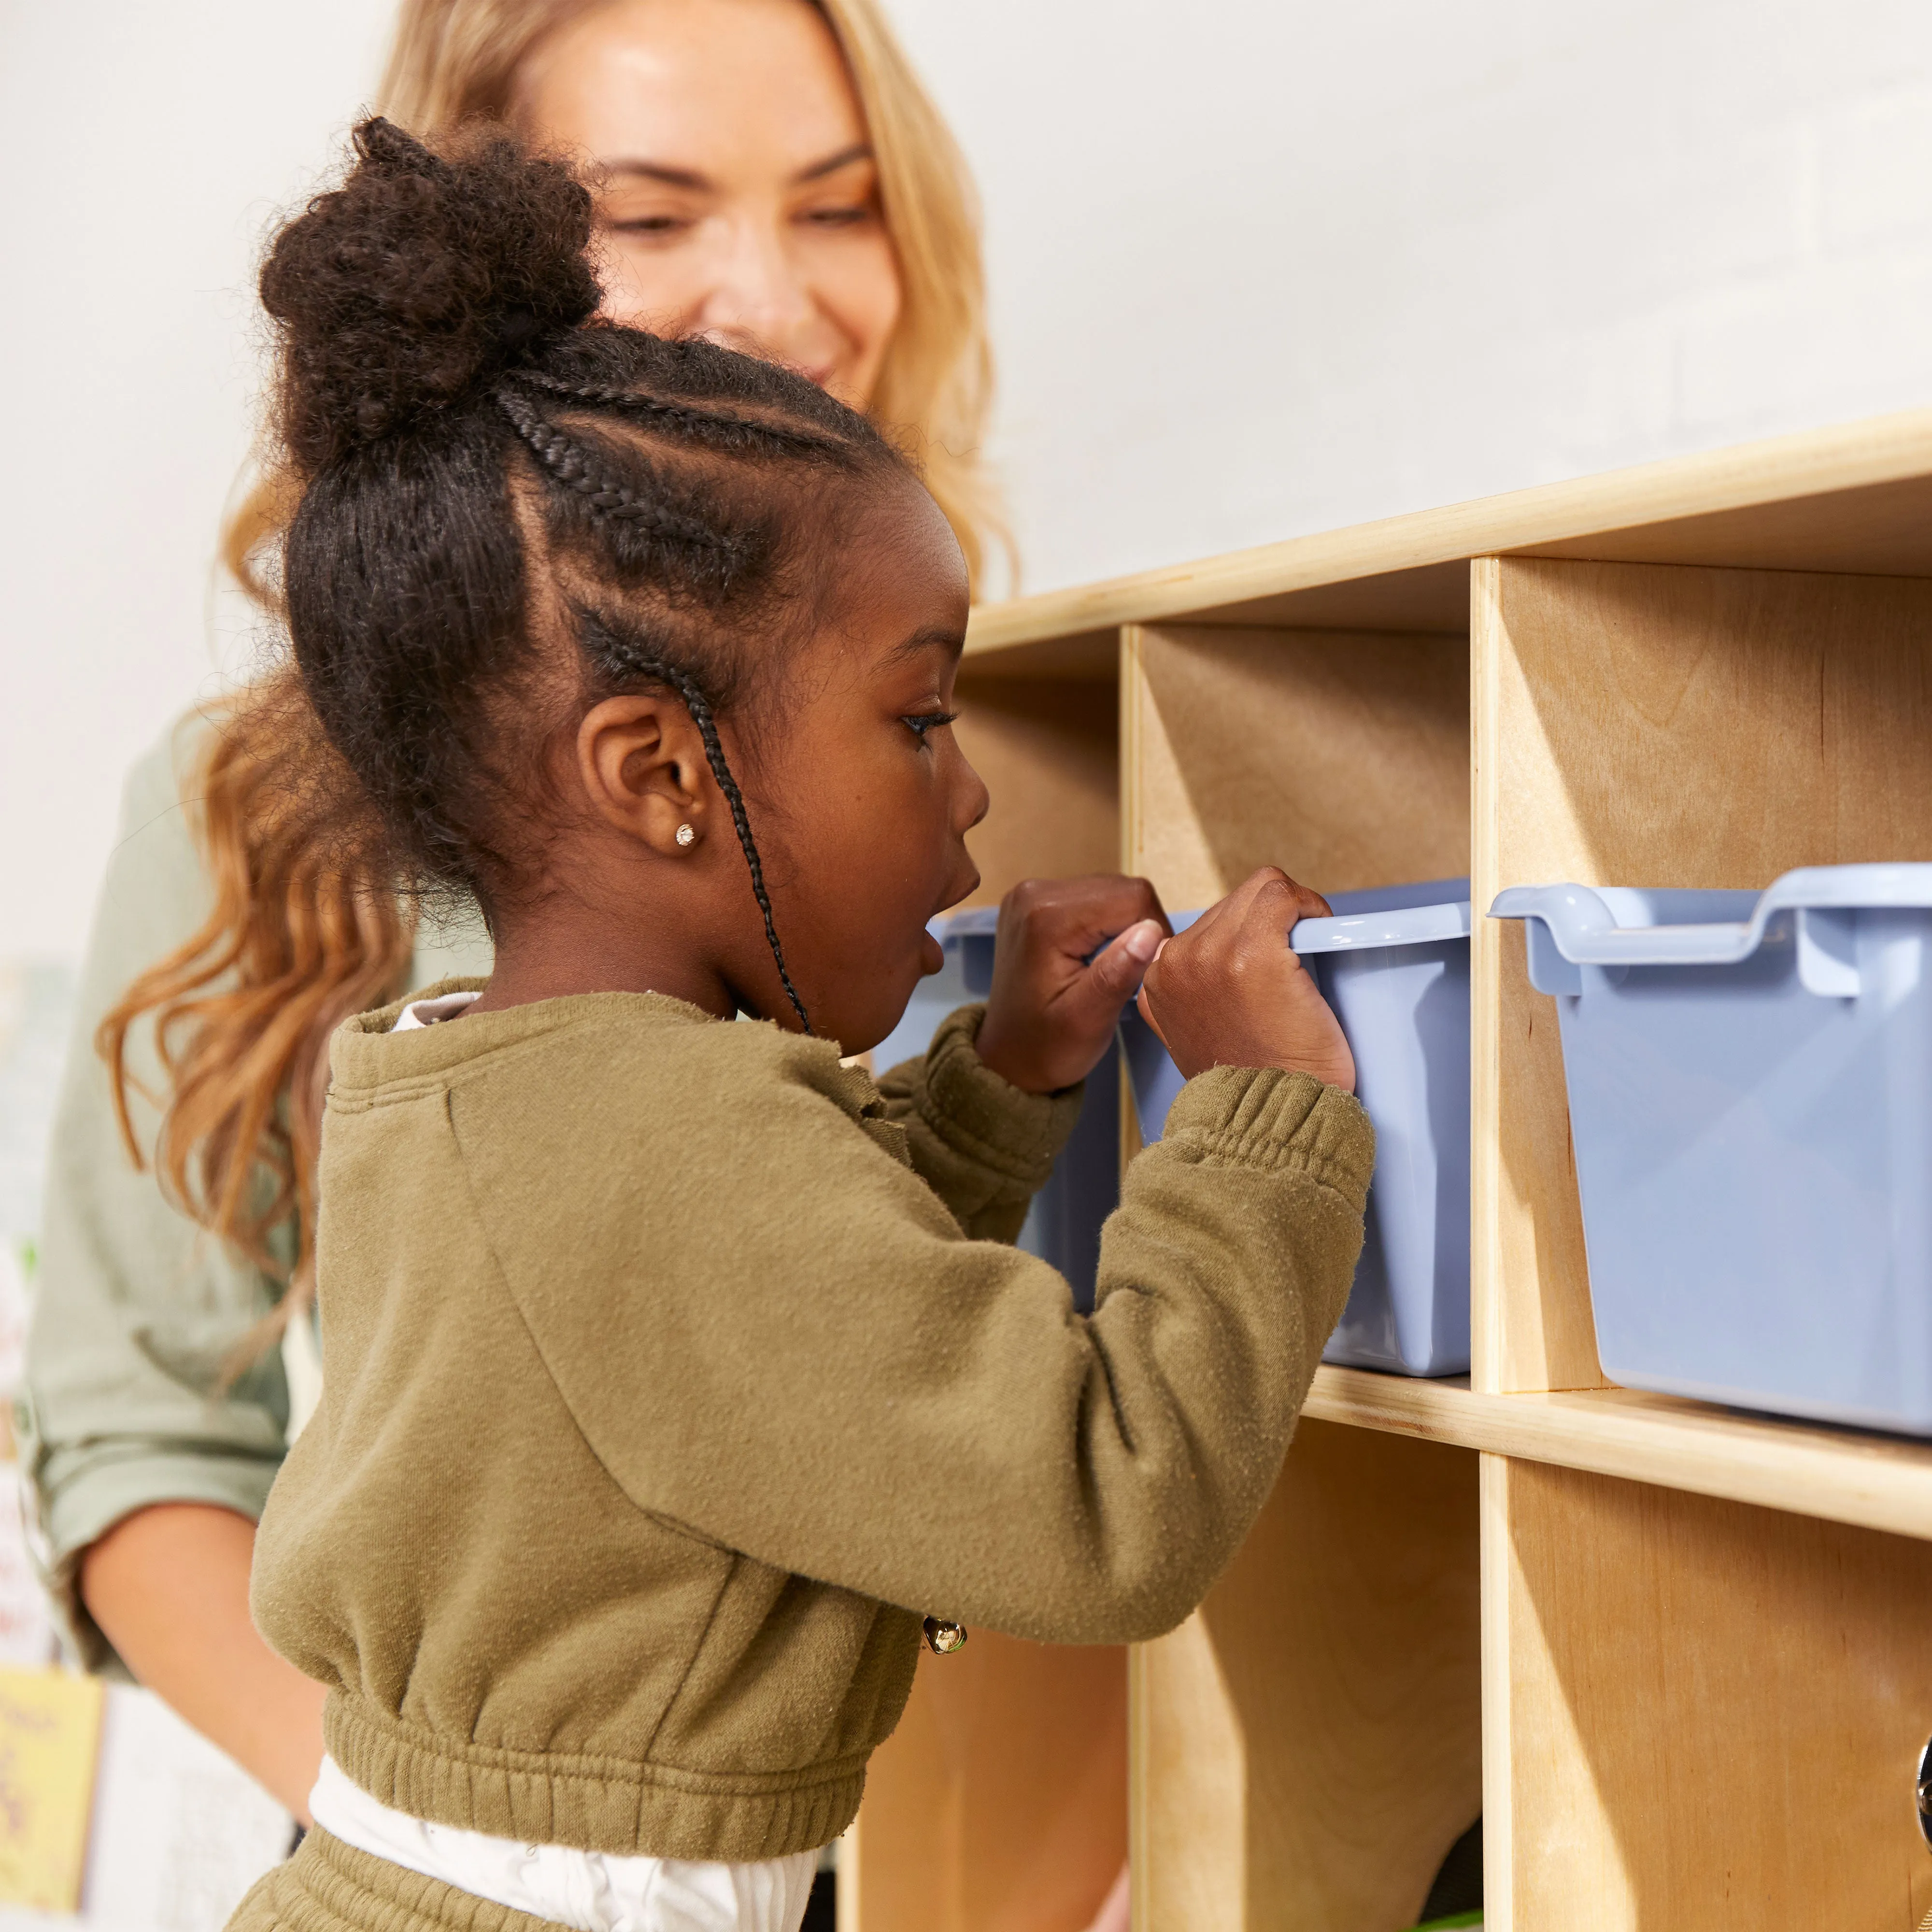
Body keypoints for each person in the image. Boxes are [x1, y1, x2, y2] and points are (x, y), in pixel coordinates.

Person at [224, 118, 1370, 1932]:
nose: (978, 794)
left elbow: (778, 1338)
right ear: (661, 771)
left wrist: (997, 1090)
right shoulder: (661, 1138)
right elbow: (1101, 1504)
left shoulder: (480, 1079)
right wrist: (1262, 1120)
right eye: (919, 721)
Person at [22, 0, 1002, 1827]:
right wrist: (439, 1824)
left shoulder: (1025, 732)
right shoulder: (246, 809)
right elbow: (138, 1433)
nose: (773, 297)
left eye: (838, 206)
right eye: (652, 212)